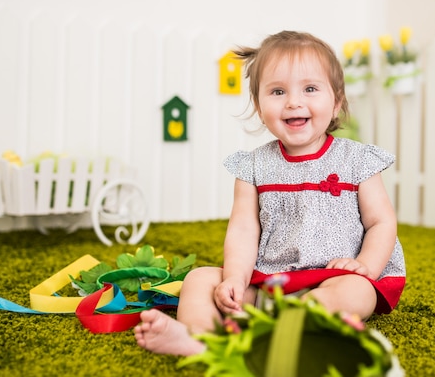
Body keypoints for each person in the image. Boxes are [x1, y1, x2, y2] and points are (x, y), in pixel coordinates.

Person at [134, 30, 406, 356]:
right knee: (200, 279)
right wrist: (235, 279)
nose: (293, 101)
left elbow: (381, 222)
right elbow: (244, 229)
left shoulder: (357, 160)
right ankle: (200, 339)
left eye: (309, 88)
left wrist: (366, 267)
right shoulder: (253, 167)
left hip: (333, 279)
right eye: (278, 91)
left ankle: (283, 333)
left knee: (357, 293)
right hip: (269, 281)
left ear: (336, 103)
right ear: (259, 107)